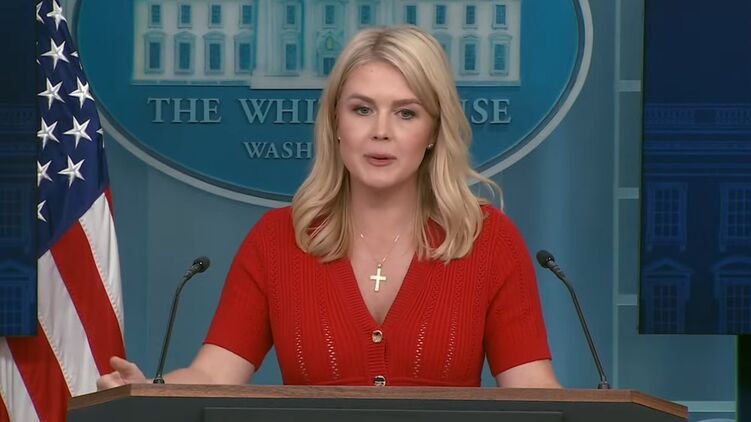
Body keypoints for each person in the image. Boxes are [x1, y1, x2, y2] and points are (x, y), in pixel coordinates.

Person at [97, 25, 560, 389]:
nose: (381, 131)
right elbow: (214, 374)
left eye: (406, 112)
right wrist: (150, 391)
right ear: (335, 122)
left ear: (434, 132)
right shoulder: (278, 239)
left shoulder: (488, 239)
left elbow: (533, 388)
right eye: (362, 109)